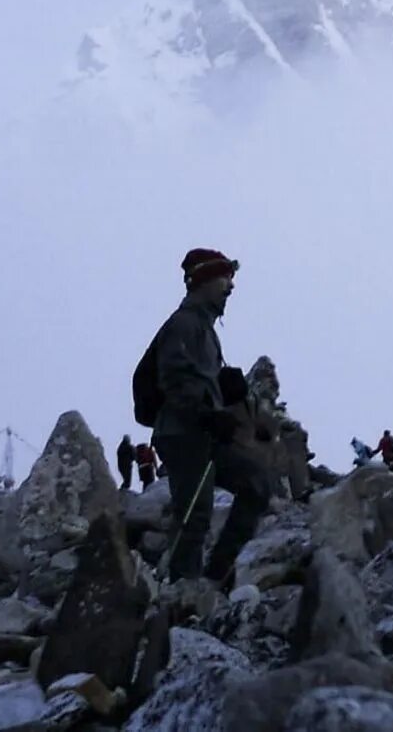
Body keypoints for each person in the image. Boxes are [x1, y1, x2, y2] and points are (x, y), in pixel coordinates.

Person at [145, 247, 274, 585]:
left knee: (258, 484)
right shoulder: (183, 324)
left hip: (204, 432)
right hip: (183, 433)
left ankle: (215, 576)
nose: (230, 287)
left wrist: (224, 389)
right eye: (224, 278)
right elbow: (172, 378)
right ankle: (180, 587)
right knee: (194, 514)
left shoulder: (204, 330)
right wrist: (206, 413)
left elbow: (194, 378)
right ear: (203, 281)